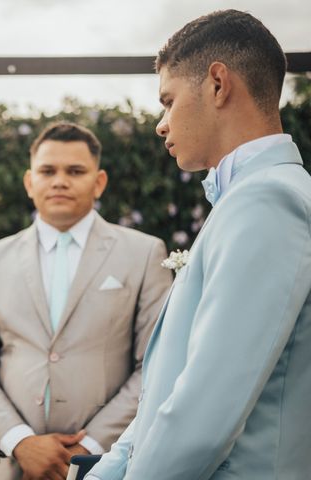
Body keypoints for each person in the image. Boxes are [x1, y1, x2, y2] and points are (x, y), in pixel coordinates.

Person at [86, 9, 311, 480]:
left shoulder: (268, 201)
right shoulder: (248, 200)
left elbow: (205, 413)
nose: (160, 124)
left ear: (217, 84)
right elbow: (168, 393)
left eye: (168, 101)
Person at [0, 121, 172, 480]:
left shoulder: (144, 253)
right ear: (29, 182)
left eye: (75, 171)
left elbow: (155, 362)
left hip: (109, 462)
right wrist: (21, 442)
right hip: (15, 466)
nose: (59, 181)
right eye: (47, 171)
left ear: (99, 182)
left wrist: (91, 446)